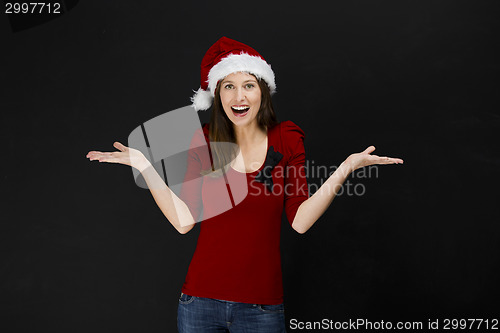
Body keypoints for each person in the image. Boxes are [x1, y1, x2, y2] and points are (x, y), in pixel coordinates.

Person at [86, 37, 404, 333]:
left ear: (262, 91)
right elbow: (184, 222)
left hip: (261, 308)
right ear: (218, 94)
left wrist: (346, 168)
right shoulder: (204, 141)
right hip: (199, 304)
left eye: (248, 85)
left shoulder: (287, 139)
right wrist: (144, 165)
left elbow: (301, 222)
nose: (239, 97)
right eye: (229, 87)